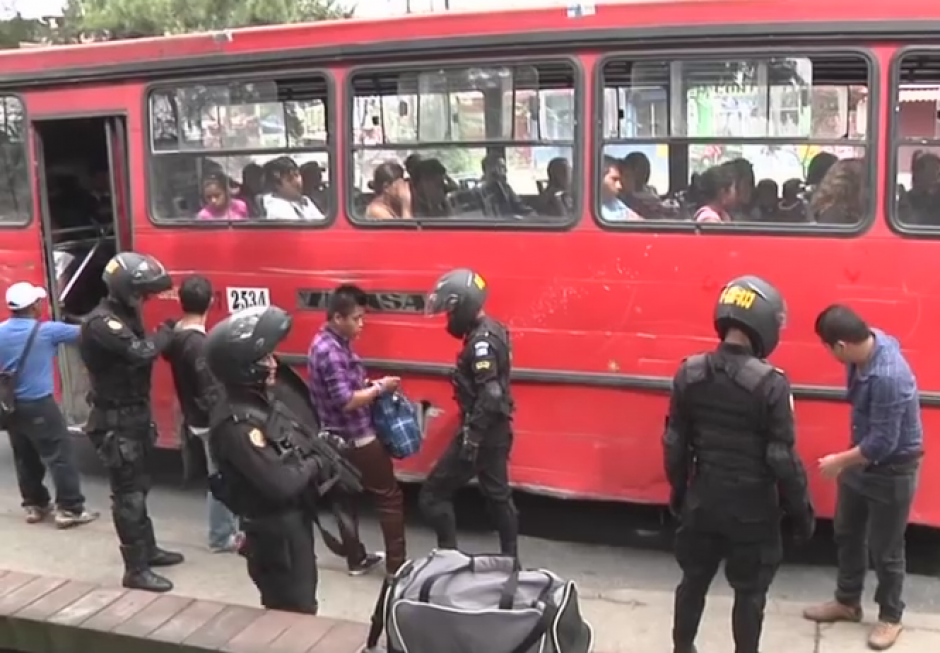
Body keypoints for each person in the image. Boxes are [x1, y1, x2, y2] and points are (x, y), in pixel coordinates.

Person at [663, 275, 815, 653]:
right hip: (753, 511)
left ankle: (683, 648)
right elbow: (781, 457)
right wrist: (801, 512)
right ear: (764, 322)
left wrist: (680, 491)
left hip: (703, 500)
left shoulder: (689, 371)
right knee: (749, 594)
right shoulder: (771, 384)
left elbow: (674, 443)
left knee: (693, 581)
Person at [205, 305, 359, 614]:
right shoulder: (239, 425)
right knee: (292, 613)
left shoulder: (260, 403)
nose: (273, 364)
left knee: (303, 605)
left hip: (291, 527)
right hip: (275, 535)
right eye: (264, 359)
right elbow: (281, 484)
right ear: (243, 367)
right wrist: (316, 463)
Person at [803, 305, 923, 651]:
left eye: (829, 349)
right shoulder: (869, 348)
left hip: (892, 469)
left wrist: (839, 461)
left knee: (886, 550)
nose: (830, 355)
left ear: (841, 346)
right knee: (847, 532)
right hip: (862, 462)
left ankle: (890, 617)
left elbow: (882, 444)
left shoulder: (888, 376)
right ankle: (847, 601)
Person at [79, 252, 183, 593]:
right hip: (114, 421)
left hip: (134, 415)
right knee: (128, 496)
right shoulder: (101, 323)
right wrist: (166, 333)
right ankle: (135, 569)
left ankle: (148, 550)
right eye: (141, 293)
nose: (145, 299)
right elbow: (140, 352)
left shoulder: (126, 314)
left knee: (140, 486)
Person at [419, 268, 518, 556]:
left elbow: (491, 392)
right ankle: (511, 561)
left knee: (432, 496)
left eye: (450, 312)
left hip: (483, 433)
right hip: (498, 429)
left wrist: (471, 439)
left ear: (463, 306)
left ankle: (448, 558)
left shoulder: (481, 343)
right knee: (499, 496)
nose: (449, 319)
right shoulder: (493, 328)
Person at [307, 284, 403, 577]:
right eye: (357, 318)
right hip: (356, 436)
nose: (362, 324)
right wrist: (379, 388)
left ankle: (356, 559)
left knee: (345, 498)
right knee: (389, 496)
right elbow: (346, 400)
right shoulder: (332, 352)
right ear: (338, 317)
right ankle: (397, 567)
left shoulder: (323, 343)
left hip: (333, 439)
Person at [0, 282, 98, 528]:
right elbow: (88, 331)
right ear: (33, 306)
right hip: (40, 405)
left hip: (10, 407)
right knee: (59, 455)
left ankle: (34, 505)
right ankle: (69, 508)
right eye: (38, 302)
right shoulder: (47, 331)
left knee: (24, 456)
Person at [161, 275, 242, 553]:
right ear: (210, 301)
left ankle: (230, 530)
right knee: (222, 476)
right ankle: (221, 536)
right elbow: (210, 392)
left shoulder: (178, 336)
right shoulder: (197, 345)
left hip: (195, 417)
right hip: (210, 422)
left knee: (225, 473)